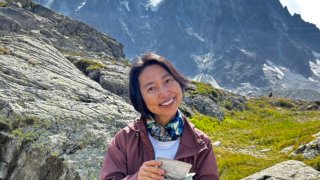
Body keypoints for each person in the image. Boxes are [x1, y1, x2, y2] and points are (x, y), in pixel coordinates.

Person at [100, 52, 219, 180]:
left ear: (178, 82)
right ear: (140, 99)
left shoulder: (201, 143)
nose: (164, 92)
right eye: (151, 88)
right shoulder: (124, 140)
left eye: (167, 80)